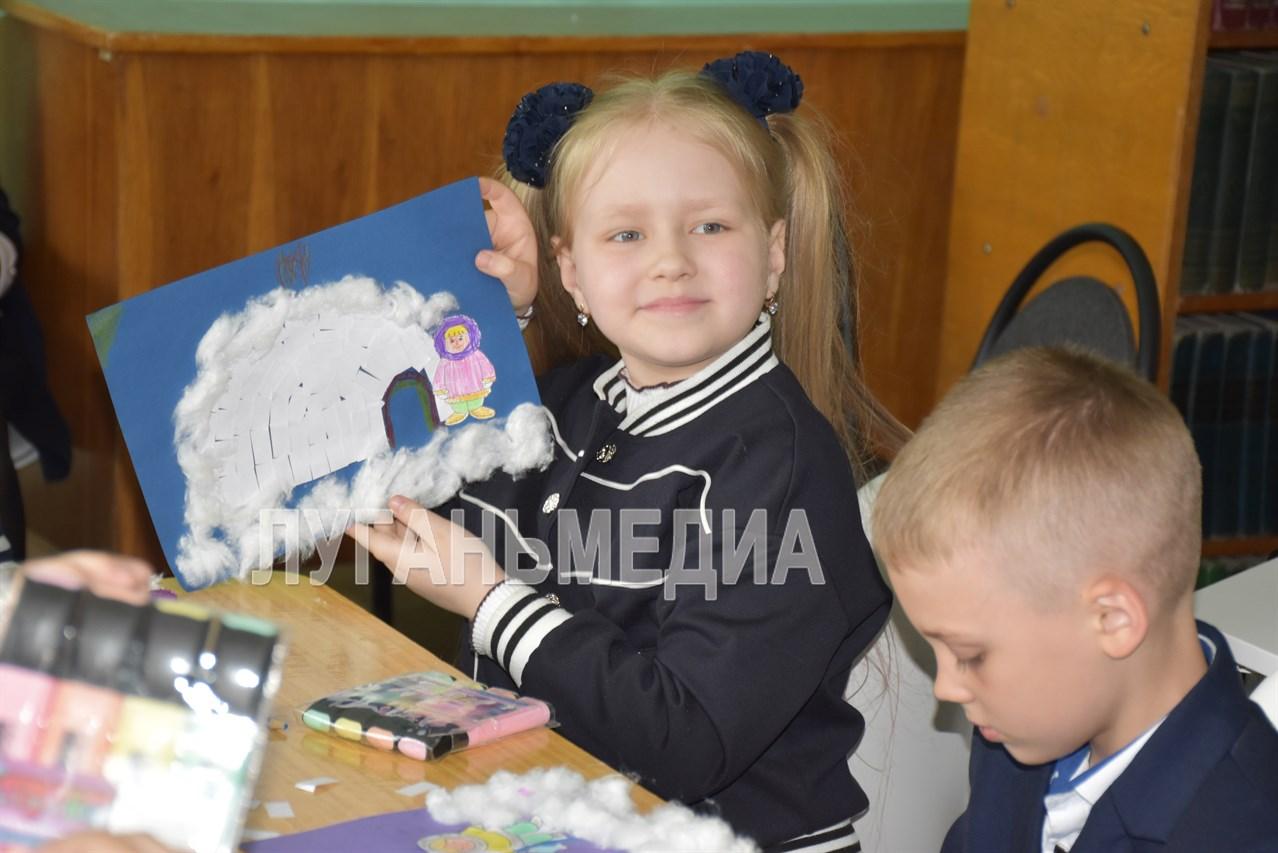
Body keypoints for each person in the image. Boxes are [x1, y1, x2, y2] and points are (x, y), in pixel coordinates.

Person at [347, 52, 905, 851]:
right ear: (571, 271)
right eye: (626, 234)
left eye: (710, 226)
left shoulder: (779, 468)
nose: (670, 259)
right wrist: (487, 321)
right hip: (558, 823)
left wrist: (493, 600)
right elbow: (404, 484)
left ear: (774, 252)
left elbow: (686, 741)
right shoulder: (565, 405)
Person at [871, 346, 1278, 853]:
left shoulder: (1244, 831)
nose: (947, 689)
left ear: (1112, 620)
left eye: (971, 656)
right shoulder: (1024, 734)